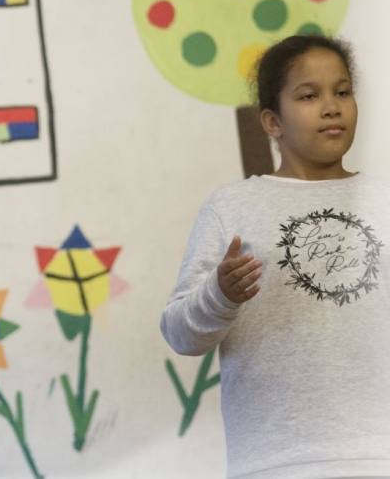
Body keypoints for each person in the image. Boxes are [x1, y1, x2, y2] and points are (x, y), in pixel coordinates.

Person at [160, 35, 390, 479]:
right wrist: (219, 295)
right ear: (272, 121)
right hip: (273, 461)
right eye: (309, 95)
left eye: (342, 92)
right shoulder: (232, 207)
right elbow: (179, 334)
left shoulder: (384, 200)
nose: (331, 106)